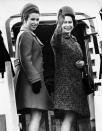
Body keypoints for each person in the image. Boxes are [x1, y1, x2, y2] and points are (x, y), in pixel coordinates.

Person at [14, 3, 53, 131]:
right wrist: (35, 80)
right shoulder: (26, 35)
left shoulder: (26, 33)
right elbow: (26, 60)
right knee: (36, 115)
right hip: (32, 81)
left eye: (37, 19)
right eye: (32, 19)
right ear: (24, 18)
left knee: (37, 115)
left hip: (32, 80)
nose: (36, 22)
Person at [50, 6, 90, 131]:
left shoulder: (74, 39)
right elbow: (54, 39)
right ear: (60, 23)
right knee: (69, 118)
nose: (67, 25)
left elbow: (76, 58)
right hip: (66, 87)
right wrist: (60, 18)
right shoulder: (59, 39)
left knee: (72, 119)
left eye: (70, 22)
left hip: (76, 85)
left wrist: (82, 63)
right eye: (64, 22)